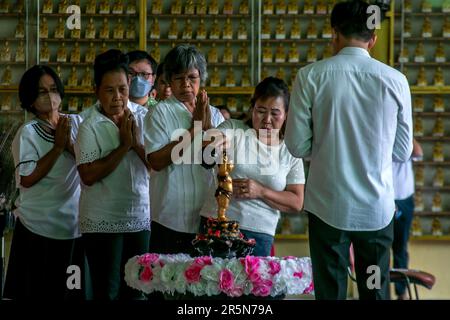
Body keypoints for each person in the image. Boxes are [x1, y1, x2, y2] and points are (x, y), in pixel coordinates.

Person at [285, 0, 413, 300]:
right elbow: (403, 151)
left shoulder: (310, 76)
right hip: (376, 210)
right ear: (373, 39)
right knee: (374, 291)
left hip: (327, 207)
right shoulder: (395, 80)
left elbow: (295, 145)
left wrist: (326, 145)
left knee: (330, 292)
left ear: (335, 33)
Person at [74, 49, 150, 300]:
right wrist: (123, 147)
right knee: (107, 291)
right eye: (109, 90)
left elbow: (156, 166)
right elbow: (88, 175)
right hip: (101, 219)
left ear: (130, 85)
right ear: (96, 90)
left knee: (138, 291)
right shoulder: (88, 124)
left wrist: (135, 143)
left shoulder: (144, 117)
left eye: (122, 89)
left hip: (140, 215)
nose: (118, 97)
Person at [200, 77, 305, 256]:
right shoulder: (235, 129)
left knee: (253, 283)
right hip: (216, 228)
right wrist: (212, 140)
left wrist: (261, 191)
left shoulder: (289, 150)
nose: (267, 120)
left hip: (260, 234)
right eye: (261, 111)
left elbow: (296, 202)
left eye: (275, 113)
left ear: (286, 114)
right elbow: (211, 141)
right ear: (252, 108)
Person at [4, 65, 84, 300]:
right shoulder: (28, 132)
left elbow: (88, 164)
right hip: (37, 228)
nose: (49, 96)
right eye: (41, 92)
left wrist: (67, 144)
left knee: (72, 292)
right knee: (37, 292)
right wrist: (58, 148)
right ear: (29, 99)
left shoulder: (76, 123)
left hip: (73, 226)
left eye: (53, 89)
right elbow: (26, 178)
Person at [144, 44, 225, 255]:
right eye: (179, 78)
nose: (186, 84)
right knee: (168, 284)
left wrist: (207, 131)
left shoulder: (215, 114)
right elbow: (156, 161)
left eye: (192, 78)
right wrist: (194, 128)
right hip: (169, 218)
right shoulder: (159, 113)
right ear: (169, 81)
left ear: (201, 79)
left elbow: (216, 163)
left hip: (207, 218)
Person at [392, 139, 423, 300]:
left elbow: (418, 152)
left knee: (400, 249)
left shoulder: (405, 139)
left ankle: (401, 293)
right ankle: (376, 291)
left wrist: (405, 132)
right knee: (376, 250)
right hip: (381, 198)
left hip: (403, 199)